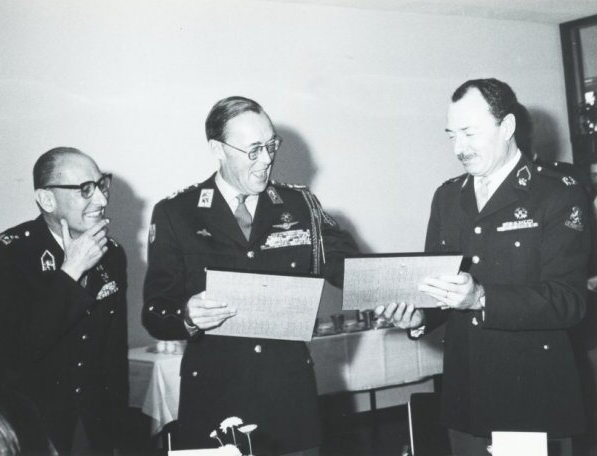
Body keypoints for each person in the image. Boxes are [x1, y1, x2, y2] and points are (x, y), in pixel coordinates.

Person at [376, 78, 590, 455]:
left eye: (469, 133)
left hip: (532, 396)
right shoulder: (447, 197)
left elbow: (568, 301)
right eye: (451, 136)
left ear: (506, 127)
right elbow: (437, 287)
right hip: (467, 396)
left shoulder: (558, 192)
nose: (459, 148)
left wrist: (481, 298)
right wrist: (419, 316)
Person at [143, 96, 358, 456]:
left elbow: (349, 266)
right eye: (254, 149)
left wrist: (400, 292)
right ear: (218, 149)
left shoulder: (300, 205)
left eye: (272, 145)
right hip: (215, 401)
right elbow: (155, 312)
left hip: (289, 401)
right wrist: (187, 315)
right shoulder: (176, 213)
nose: (267, 159)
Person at [0, 147, 129, 455]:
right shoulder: (3, 254)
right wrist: (71, 271)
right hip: (26, 427)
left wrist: (117, 432)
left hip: (92, 426)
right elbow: (18, 351)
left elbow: (113, 354)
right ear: (47, 200)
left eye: (102, 185)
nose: (101, 200)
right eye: (85, 189)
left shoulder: (111, 253)